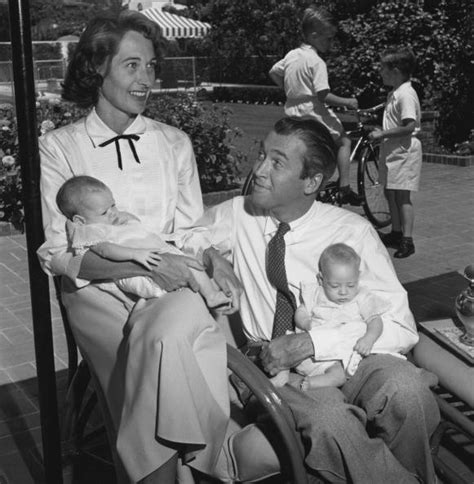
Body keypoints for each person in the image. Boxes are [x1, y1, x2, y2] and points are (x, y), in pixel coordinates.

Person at [37, 11, 241, 484]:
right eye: (131, 65)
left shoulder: (174, 143)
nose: (145, 79)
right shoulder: (61, 146)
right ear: (98, 67)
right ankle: (204, 462)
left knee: (169, 343)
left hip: (174, 280)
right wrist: (150, 269)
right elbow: (57, 253)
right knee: (150, 364)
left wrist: (212, 258)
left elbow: (190, 231)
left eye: (150, 66)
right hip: (97, 287)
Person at [178, 117, 440, 483]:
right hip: (276, 363)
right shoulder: (239, 214)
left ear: (312, 181)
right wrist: (212, 256)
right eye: (261, 155)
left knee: (411, 394)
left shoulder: (352, 232)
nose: (259, 170)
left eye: (277, 162)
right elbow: (182, 238)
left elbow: (398, 325)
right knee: (330, 421)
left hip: (355, 350)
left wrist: (315, 342)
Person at [57, 175, 231, 309]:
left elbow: (136, 225)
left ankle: (211, 296)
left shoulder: (111, 220)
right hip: (133, 271)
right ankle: (171, 304)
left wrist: (129, 219)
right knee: (162, 290)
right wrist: (134, 254)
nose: (113, 213)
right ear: (80, 220)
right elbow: (105, 250)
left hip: (155, 254)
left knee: (192, 265)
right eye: (104, 212)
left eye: (113, 206)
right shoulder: (90, 231)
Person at [271, 242, 398, 391]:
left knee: (338, 375)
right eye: (335, 286)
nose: (343, 292)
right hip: (303, 351)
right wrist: (305, 323)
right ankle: (282, 376)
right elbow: (302, 311)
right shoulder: (315, 294)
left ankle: (311, 383)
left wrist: (369, 338)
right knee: (285, 349)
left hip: (334, 357)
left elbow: (375, 320)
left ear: (358, 277)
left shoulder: (362, 298)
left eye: (350, 285)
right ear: (321, 279)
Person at [268, 6, 361, 205]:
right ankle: (344, 186)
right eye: (328, 38)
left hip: (292, 111)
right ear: (314, 35)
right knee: (344, 141)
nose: (331, 43)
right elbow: (323, 95)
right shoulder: (316, 61)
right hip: (312, 111)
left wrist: (289, 90)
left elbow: (274, 72)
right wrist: (348, 102)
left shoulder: (292, 55)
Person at [369, 47, 422, 258]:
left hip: (404, 151)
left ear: (396, 70)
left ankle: (407, 241)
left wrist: (382, 134)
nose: (381, 72)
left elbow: (409, 126)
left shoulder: (406, 94)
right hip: (393, 149)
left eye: (384, 68)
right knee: (390, 192)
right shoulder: (396, 93)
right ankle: (396, 232)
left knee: (402, 196)